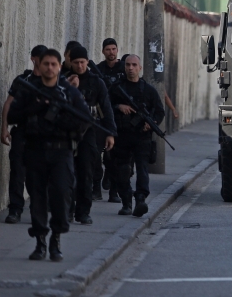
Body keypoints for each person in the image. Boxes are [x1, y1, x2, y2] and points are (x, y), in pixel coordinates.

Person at [7, 49, 90, 261]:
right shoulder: (29, 90)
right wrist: (35, 107)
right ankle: (40, 241)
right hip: (35, 150)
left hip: (62, 151)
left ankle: (57, 238)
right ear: (39, 65)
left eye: (54, 64)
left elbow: (84, 119)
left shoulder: (69, 92)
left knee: (62, 193)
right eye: (46, 64)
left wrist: (58, 116)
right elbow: (13, 115)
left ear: (60, 66)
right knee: (37, 198)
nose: (50, 67)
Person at [66, 46, 117, 224]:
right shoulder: (63, 80)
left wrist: (110, 133)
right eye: (76, 62)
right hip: (66, 133)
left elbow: (106, 108)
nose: (79, 66)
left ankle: (83, 212)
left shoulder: (97, 82)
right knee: (66, 174)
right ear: (70, 63)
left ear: (87, 61)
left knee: (86, 173)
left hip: (88, 132)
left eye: (82, 62)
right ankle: (68, 211)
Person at [109, 54, 164, 217]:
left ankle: (140, 199)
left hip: (142, 137)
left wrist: (151, 123)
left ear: (140, 68)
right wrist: (119, 106)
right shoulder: (117, 88)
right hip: (122, 136)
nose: (131, 68)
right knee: (123, 170)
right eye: (128, 65)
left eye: (134, 65)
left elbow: (160, 112)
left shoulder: (149, 90)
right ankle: (126, 202)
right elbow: (105, 108)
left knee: (142, 169)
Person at [0, 45, 48, 224]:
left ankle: (37, 209)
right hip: (22, 131)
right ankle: (15, 209)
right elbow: (8, 104)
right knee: (17, 170)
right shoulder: (23, 79)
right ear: (33, 59)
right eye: (39, 58)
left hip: (42, 134)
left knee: (38, 174)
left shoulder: (51, 81)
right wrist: (4, 128)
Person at [95, 38, 125, 203]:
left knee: (115, 158)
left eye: (114, 49)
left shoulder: (124, 68)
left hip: (121, 119)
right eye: (108, 49)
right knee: (98, 155)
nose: (111, 52)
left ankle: (114, 192)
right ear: (103, 51)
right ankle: (96, 188)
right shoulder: (99, 70)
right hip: (104, 117)